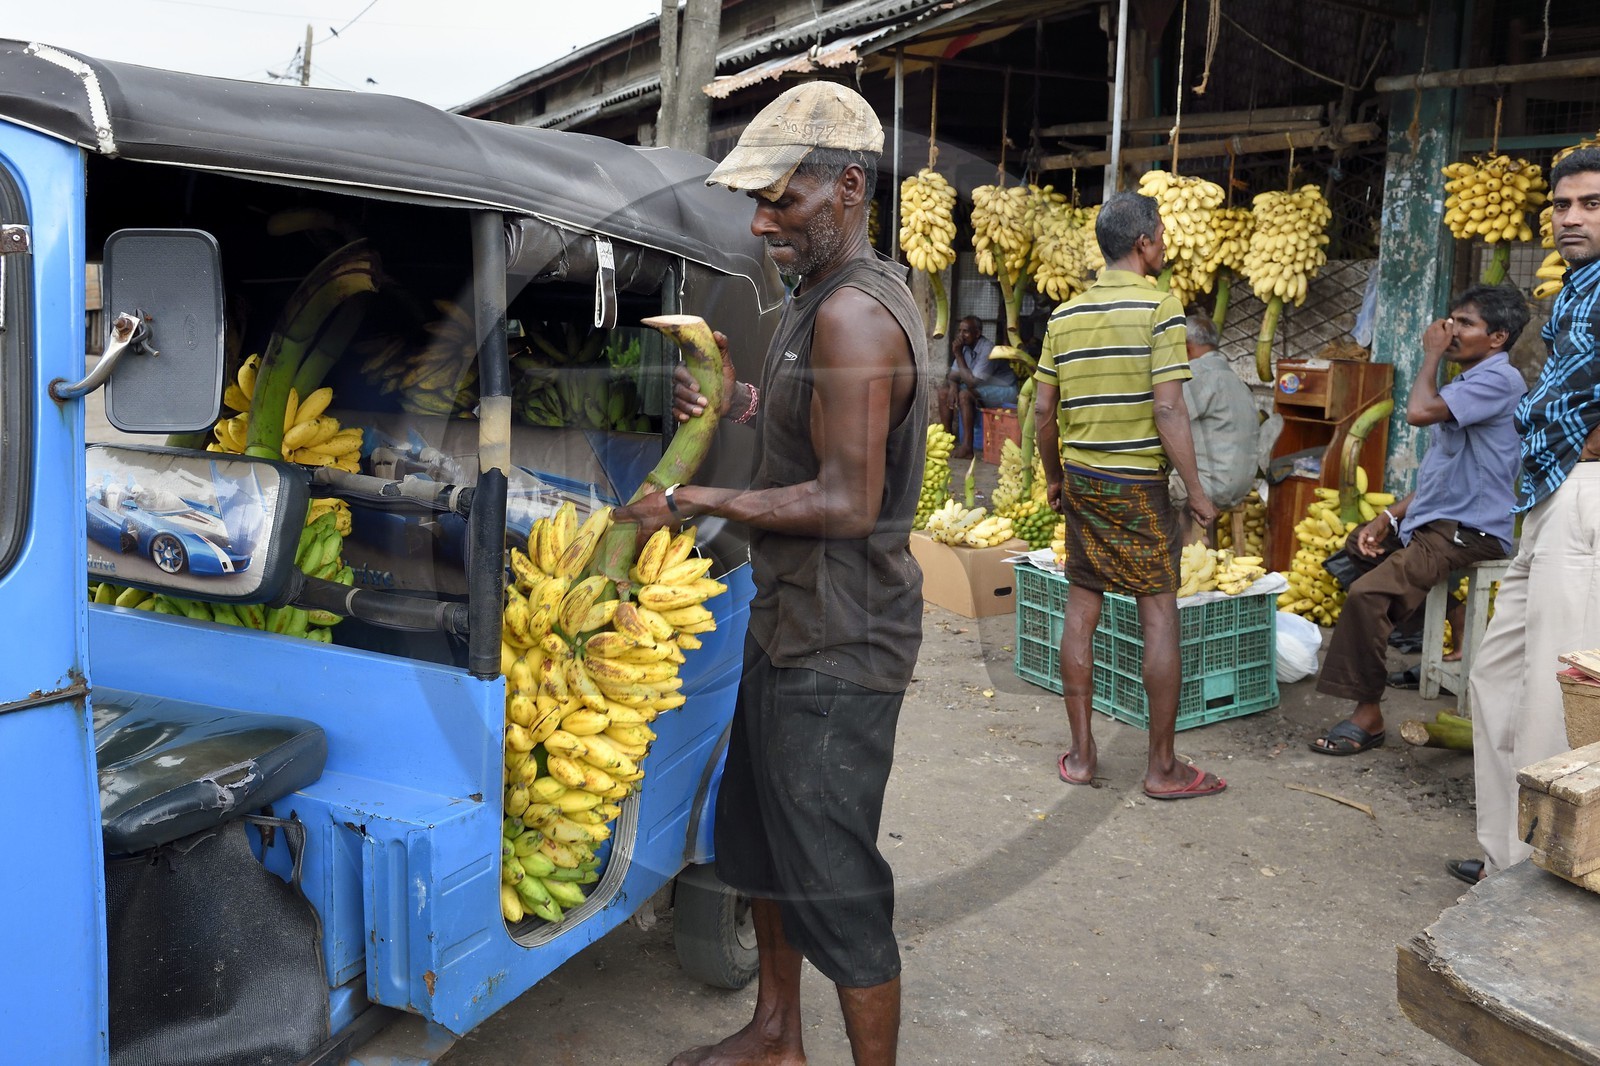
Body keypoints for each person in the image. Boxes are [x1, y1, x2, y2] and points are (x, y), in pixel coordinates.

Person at [615, 81, 927, 1065]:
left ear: (845, 187)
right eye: (756, 200)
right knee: (758, 841)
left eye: (779, 201)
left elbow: (847, 501)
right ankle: (775, 1036)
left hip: (840, 642)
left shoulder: (855, 318)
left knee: (834, 879)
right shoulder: (818, 299)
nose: (760, 222)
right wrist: (744, 402)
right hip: (786, 618)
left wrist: (698, 501)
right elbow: (819, 420)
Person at [1033, 191, 1227, 800]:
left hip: (1086, 482)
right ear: (1143, 244)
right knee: (1159, 614)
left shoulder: (1063, 317)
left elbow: (1043, 409)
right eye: (1162, 236)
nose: (1165, 246)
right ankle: (1162, 768)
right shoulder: (1161, 309)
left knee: (1082, 610)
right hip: (1139, 486)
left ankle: (1083, 756)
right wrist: (1196, 491)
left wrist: (1055, 476)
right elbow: (1168, 409)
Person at [1452, 146, 1600, 887]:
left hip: (1586, 497)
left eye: (1591, 204)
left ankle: (1540, 876)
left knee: (1550, 696)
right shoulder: (1578, 286)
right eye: (1563, 204)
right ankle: (1505, 857)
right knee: (1496, 678)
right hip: (1547, 494)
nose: (1571, 217)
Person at [1307, 285, 1529, 757]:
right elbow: (1442, 476)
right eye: (1451, 320)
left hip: (1471, 531)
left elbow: (1416, 412)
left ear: (1498, 337)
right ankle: (1436, 632)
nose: (1450, 331)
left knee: (1368, 594)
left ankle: (1367, 714)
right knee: (1357, 548)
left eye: (1464, 324)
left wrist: (1427, 355)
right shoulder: (1467, 384)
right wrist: (1387, 516)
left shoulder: (1499, 381)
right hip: (1441, 522)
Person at [1170, 312, 1259, 542]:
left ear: (1187, 348)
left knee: (1146, 488)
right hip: (1239, 485)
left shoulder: (1197, 375)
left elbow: (1169, 421)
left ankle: (1185, 556)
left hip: (1212, 486)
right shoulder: (1236, 381)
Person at [939, 315, 1018, 458]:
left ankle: (967, 448)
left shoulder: (987, 349)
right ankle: (946, 440)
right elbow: (952, 375)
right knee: (944, 392)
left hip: (1006, 389)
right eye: (960, 331)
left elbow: (971, 382)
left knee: (965, 395)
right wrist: (953, 386)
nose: (961, 336)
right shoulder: (964, 347)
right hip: (982, 387)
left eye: (966, 332)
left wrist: (957, 354)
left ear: (977, 333)